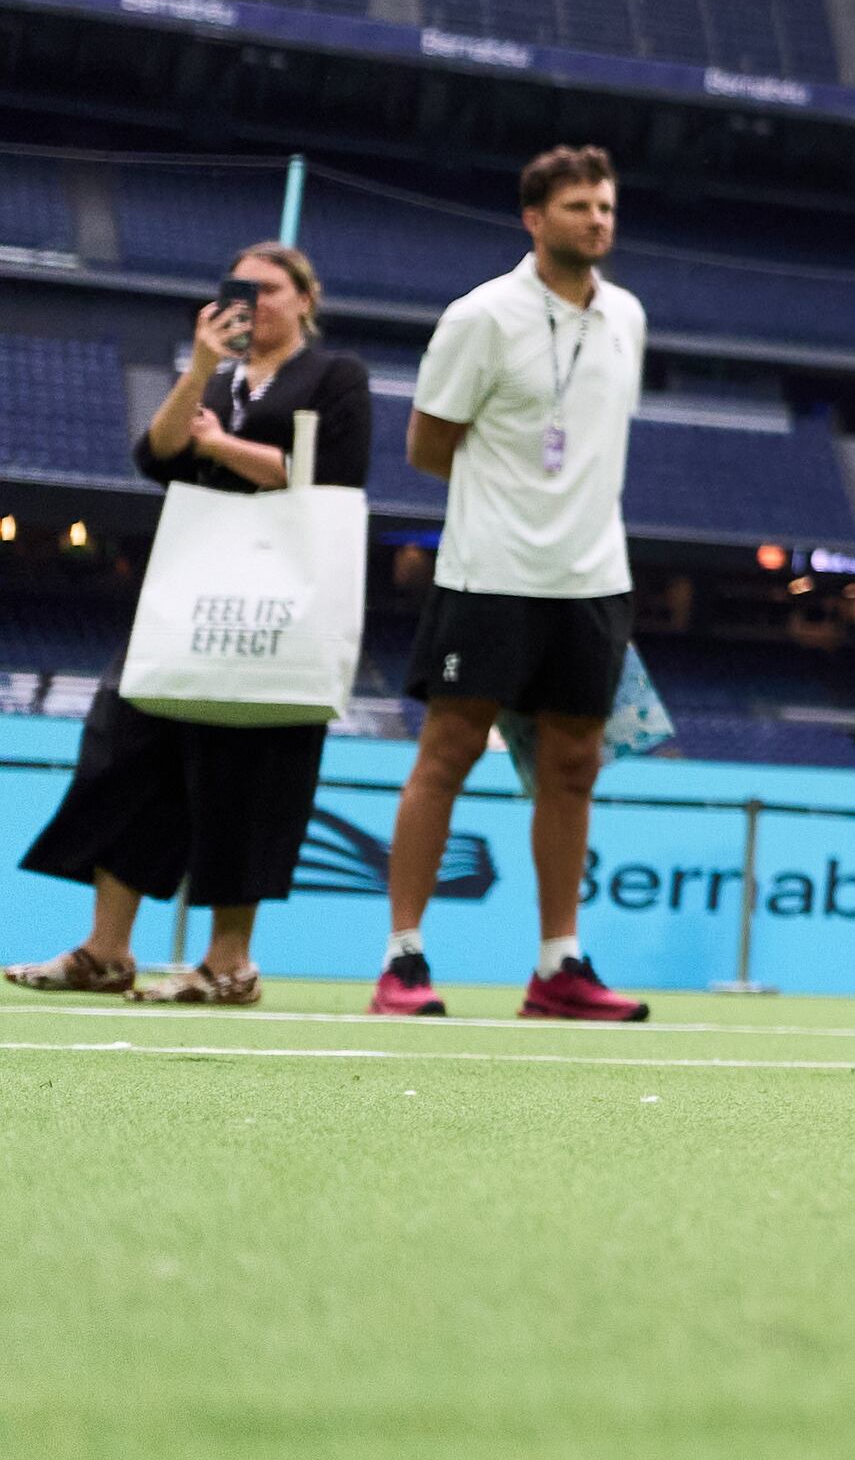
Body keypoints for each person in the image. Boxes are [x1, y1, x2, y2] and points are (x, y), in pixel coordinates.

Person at [8, 242, 367, 1004]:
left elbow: (329, 474)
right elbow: (156, 453)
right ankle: (106, 950)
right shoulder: (219, 379)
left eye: (271, 289)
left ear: (307, 297)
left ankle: (229, 962)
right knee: (124, 748)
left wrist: (219, 444)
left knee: (251, 771)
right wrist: (200, 367)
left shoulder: (335, 377)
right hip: (187, 596)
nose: (254, 303)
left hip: (278, 604)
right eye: (241, 290)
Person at [382, 146, 658, 1024]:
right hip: (489, 572)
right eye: (579, 206)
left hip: (592, 579)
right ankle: (404, 959)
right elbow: (429, 445)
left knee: (575, 766)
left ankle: (558, 967)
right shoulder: (482, 315)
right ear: (534, 218)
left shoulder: (628, 316)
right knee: (450, 754)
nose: (598, 220)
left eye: (606, 206)